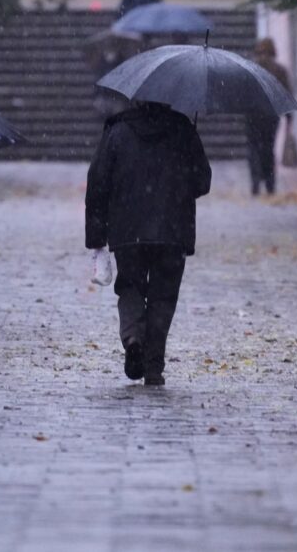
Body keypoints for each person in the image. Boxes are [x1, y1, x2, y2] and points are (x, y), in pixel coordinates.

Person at [85, 101, 211, 386]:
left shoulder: (117, 133)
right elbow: (202, 182)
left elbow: (98, 182)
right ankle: (153, 366)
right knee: (163, 297)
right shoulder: (183, 130)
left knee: (130, 286)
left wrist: (96, 236)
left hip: (128, 230)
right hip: (173, 229)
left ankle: (132, 338)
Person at [247, 38, 291, 195]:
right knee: (268, 149)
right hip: (271, 116)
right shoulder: (279, 70)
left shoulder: (251, 68)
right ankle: (270, 183)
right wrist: (289, 118)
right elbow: (286, 95)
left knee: (253, 149)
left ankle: (255, 182)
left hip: (252, 115)